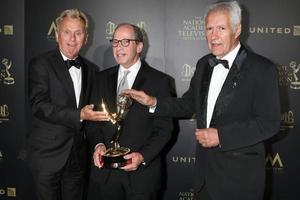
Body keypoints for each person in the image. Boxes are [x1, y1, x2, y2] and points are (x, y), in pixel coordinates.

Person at [124, 1, 281, 200]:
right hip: (204, 179)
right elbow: (190, 103)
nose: (213, 35)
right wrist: (154, 102)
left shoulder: (262, 69)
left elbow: (269, 123)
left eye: (221, 28)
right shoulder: (204, 64)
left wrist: (222, 136)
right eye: (209, 28)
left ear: (237, 29)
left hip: (240, 181)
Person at [87, 23, 174, 200]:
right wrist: (98, 145)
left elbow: (165, 129)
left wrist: (142, 156)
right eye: (115, 42)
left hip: (142, 177)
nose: (119, 47)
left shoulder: (160, 81)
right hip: (106, 176)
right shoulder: (100, 79)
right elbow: (92, 122)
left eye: (126, 42)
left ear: (139, 46)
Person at [27, 8, 106, 200]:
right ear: (56, 35)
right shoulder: (41, 63)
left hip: (77, 158)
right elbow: (39, 105)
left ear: (86, 38)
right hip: (47, 156)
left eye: (78, 33)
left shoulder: (92, 70)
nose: (72, 38)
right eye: (67, 32)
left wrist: (98, 144)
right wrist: (79, 115)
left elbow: (93, 116)